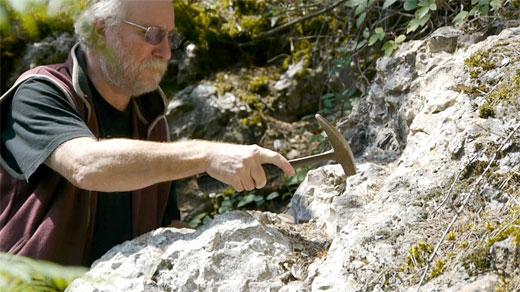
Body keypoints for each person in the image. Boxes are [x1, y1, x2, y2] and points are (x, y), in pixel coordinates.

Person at [0, 0, 295, 267]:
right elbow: (86, 165)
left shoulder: (152, 119)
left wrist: (255, 231)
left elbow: (166, 230)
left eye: (171, 37)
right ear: (100, 31)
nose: (166, 52)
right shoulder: (41, 93)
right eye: (153, 34)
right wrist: (207, 155)